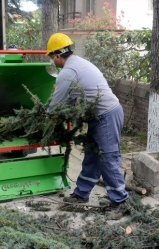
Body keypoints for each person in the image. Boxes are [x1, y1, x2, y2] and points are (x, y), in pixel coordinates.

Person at [46, 33, 129, 216]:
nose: (53, 61)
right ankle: (81, 194)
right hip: (100, 116)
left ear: (58, 56)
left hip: (106, 115)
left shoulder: (67, 73)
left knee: (108, 158)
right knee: (92, 155)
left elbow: (56, 107)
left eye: (52, 57)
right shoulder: (79, 63)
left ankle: (120, 202)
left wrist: (45, 121)